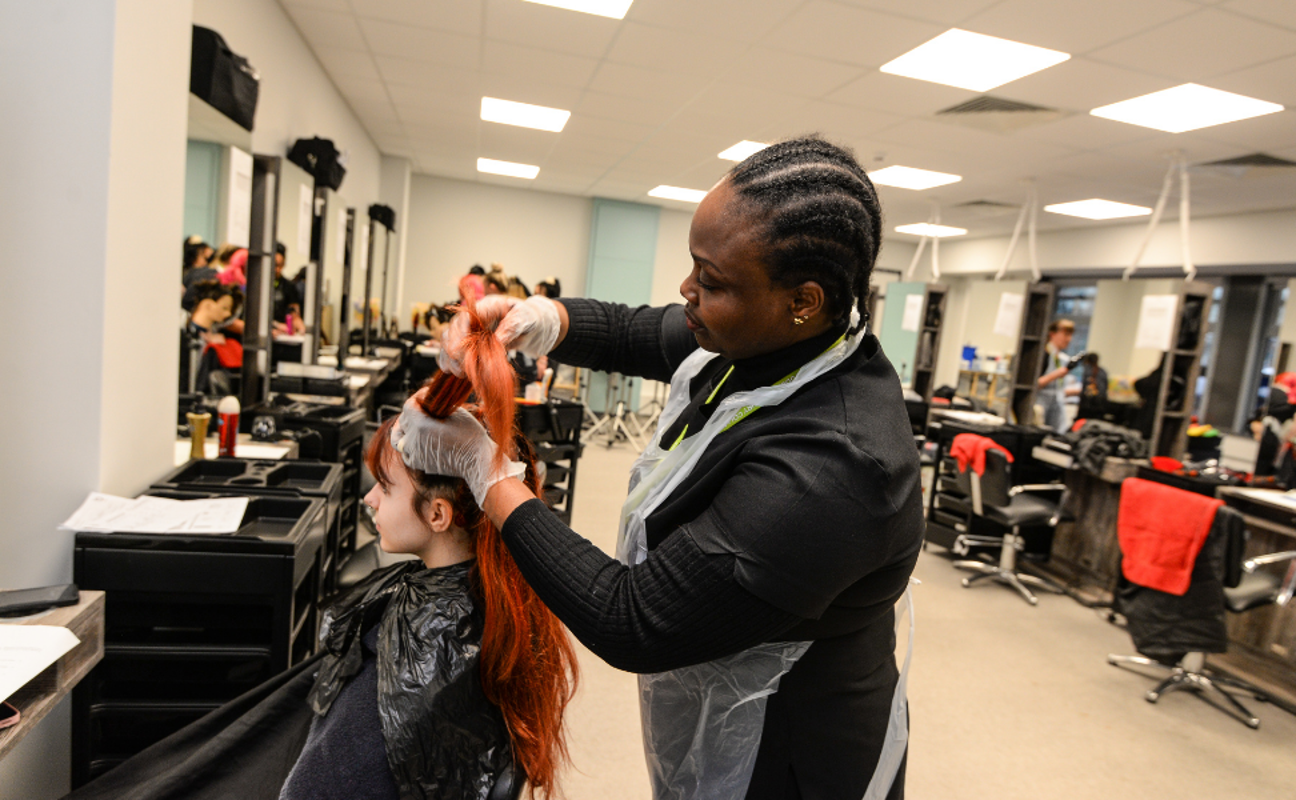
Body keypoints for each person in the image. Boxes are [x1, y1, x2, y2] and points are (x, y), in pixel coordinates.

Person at [429, 137, 922, 799]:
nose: (687, 291)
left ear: (802, 299)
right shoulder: (783, 338)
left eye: (710, 281)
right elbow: (646, 330)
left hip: (796, 748)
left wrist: (486, 473)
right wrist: (539, 317)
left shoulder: (836, 469)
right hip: (723, 697)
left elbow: (630, 619)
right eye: (694, 265)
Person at [1037, 319, 1083, 432]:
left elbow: (1059, 389)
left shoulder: (1062, 358)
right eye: (1066, 334)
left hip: (1057, 406)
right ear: (1052, 334)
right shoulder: (1042, 355)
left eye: (1071, 335)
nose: (1069, 339)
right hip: (1040, 404)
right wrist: (1056, 374)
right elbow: (1034, 385)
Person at [1075, 352, 1109, 423]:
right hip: (1100, 405)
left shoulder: (1086, 370)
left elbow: (1083, 388)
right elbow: (1105, 389)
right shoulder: (1103, 371)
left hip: (1086, 405)